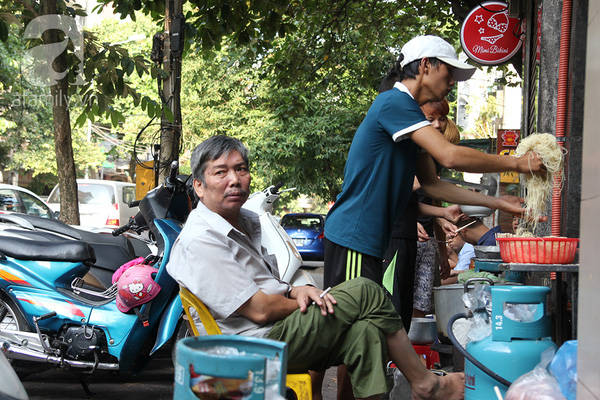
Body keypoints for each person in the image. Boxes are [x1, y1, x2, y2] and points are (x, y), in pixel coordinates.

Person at [166, 135, 465, 400]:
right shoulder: (201, 239)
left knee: (365, 333)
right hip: (253, 345)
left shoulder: (244, 222)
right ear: (199, 186)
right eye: (221, 172)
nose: (234, 179)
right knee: (365, 290)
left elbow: (270, 283)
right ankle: (424, 383)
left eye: (240, 169)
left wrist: (298, 289)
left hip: (276, 332)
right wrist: (307, 300)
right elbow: (260, 310)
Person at [324, 34, 544, 293]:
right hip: (354, 237)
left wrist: (496, 202)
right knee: (354, 325)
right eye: (448, 71)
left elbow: (432, 184)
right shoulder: (394, 102)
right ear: (425, 65)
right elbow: (448, 155)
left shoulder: (410, 115)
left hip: (370, 241)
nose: (452, 81)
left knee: (381, 328)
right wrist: (517, 164)